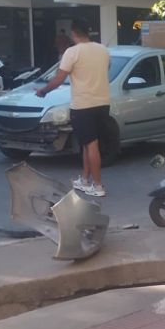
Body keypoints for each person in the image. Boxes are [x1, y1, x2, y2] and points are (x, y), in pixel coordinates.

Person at [36, 20, 110, 197]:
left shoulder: (72, 52)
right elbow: (108, 67)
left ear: (74, 34)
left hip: (83, 105)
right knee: (87, 143)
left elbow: (59, 78)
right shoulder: (102, 49)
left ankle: (98, 186)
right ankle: (84, 180)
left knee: (91, 145)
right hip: (103, 103)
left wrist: (43, 91)